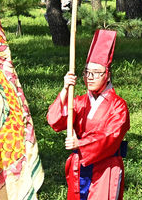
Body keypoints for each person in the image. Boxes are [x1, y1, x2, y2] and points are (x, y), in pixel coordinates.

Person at [47, 30, 130, 200]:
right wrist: (64, 89)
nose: (89, 78)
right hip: (79, 168)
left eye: (96, 73)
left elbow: (111, 137)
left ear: (107, 75)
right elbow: (55, 120)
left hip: (105, 167)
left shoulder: (118, 105)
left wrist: (80, 143)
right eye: (86, 73)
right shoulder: (78, 101)